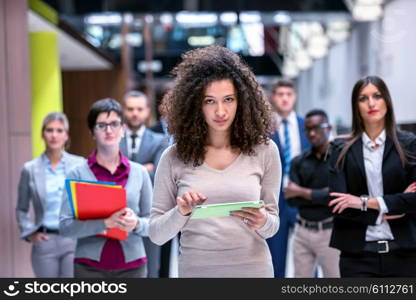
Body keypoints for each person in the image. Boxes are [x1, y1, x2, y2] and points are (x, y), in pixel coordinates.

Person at [149, 45, 281, 278]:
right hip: (197, 272)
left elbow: (273, 226)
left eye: (228, 99)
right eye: (210, 101)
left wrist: (262, 220)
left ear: (242, 101)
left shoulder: (265, 151)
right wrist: (181, 212)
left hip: (254, 271)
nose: (220, 111)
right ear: (194, 104)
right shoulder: (173, 157)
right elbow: (156, 234)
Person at [328, 75, 416, 277]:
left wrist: (363, 203)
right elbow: (338, 205)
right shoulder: (339, 148)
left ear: (387, 100)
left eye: (377, 96)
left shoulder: (409, 144)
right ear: (356, 106)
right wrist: (392, 207)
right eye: (363, 98)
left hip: (406, 254)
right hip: (357, 257)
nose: (371, 103)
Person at [59, 98, 152, 278]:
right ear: (92, 132)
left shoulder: (139, 173)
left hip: (133, 267)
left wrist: (137, 224)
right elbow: (65, 227)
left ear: (123, 129)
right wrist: (104, 224)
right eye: (101, 125)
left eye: (114, 124)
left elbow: (154, 223)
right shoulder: (77, 174)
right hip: (88, 268)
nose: (109, 130)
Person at [16, 112, 84, 277]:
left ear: (66, 135)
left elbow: (87, 202)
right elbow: (21, 209)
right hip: (44, 242)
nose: (54, 135)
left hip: (72, 241)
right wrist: (29, 232)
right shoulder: (30, 169)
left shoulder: (79, 164)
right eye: (49, 130)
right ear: (42, 134)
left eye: (59, 130)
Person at [285, 109, 340, 277]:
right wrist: (320, 194)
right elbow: (291, 200)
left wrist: (301, 191)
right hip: (302, 231)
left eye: (317, 127)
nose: (312, 133)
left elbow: (336, 196)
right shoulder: (298, 162)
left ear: (329, 128)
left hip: (330, 231)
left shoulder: (339, 159)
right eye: (308, 129)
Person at [120, 90, 168, 278]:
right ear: (124, 110)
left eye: (139, 109)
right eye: (130, 109)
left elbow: (159, 176)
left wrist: (125, 170)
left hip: (150, 216)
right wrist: (144, 168)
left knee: (150, 272)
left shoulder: (160, 140)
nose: (135, 113)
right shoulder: (114, 140)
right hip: (119, 216)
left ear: (147, 111)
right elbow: (108, 176)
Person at [267, 78, 310, 277]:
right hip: (276, 199)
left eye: (289, 94)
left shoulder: (307, 126)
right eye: (280, 94)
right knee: (276, 255)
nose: (285, 99)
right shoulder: (264, 128)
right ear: (273, 97)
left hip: (302, 197)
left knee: (309, 255)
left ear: (295, 97)